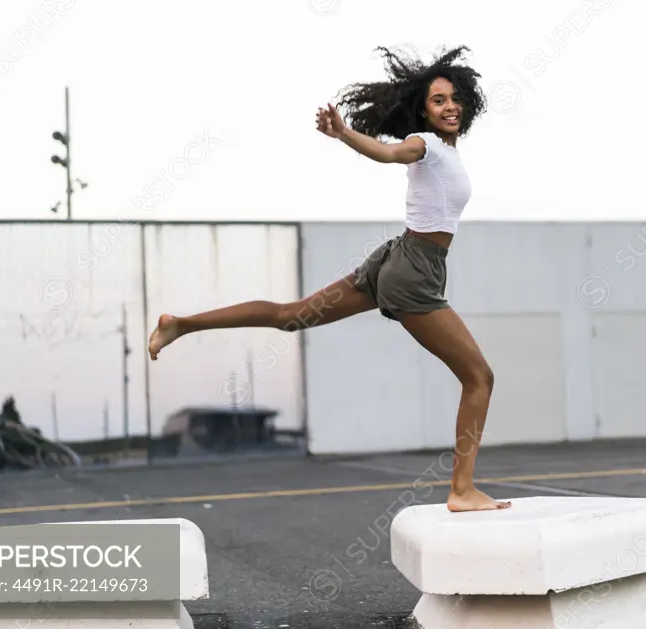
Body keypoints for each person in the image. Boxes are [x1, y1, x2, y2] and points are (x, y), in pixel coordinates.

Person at [147, 46, 510, 513]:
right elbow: (389, 152)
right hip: (412, 271)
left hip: (395, 261)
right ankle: (461, 489)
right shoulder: (425, 144)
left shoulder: (447, 151)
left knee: (290, 316)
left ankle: (180, 324)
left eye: (456, 98)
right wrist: (344, 133)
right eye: (439, 100)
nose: (450, 106)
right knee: (479, 376)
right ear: (423, 109)